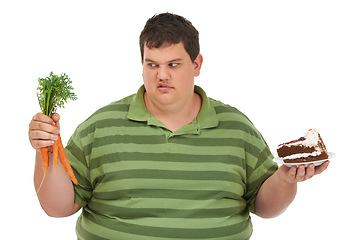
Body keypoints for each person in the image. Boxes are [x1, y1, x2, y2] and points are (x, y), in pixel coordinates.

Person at [29, 13, 329, 240]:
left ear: (196, 64)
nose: (162, 75)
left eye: (173, 64)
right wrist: (45, 147)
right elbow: (57, 208)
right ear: (142, 63)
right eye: (152, 64)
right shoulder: (100, 127)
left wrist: (285, 180)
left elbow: (265, 208)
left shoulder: (237, 129)